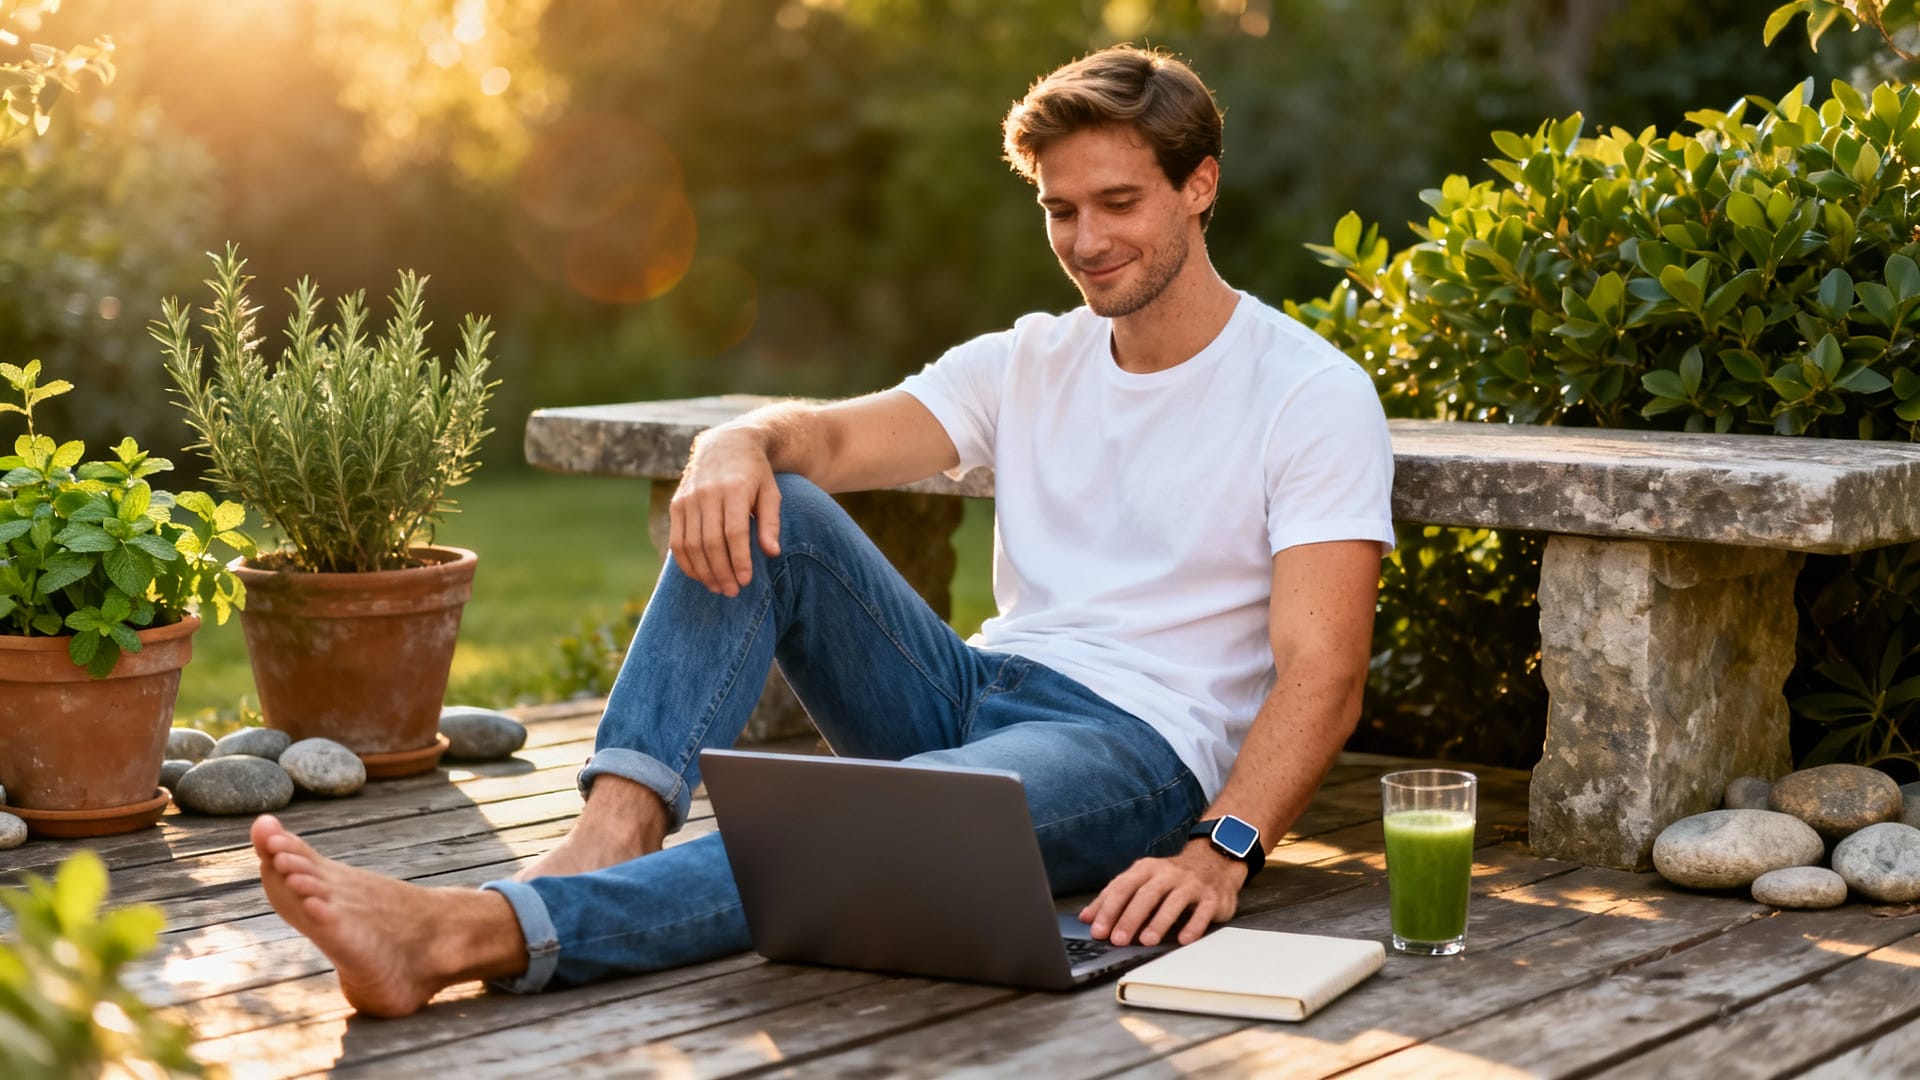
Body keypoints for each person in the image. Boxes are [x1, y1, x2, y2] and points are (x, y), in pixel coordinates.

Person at [249, 44, 1395, 1018]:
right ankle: (612, 828)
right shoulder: (1030, 357)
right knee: (778, 507)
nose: (1086, 240)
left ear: (1200, 187)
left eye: (1119, 204)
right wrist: (735, 444)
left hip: (1131, 750)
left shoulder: (1306, 394)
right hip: (972, 692)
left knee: (862, 829)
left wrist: (1222, 849)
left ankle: (470, 934)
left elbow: (1324, 672)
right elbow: (830, 445)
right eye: (1060, 209)